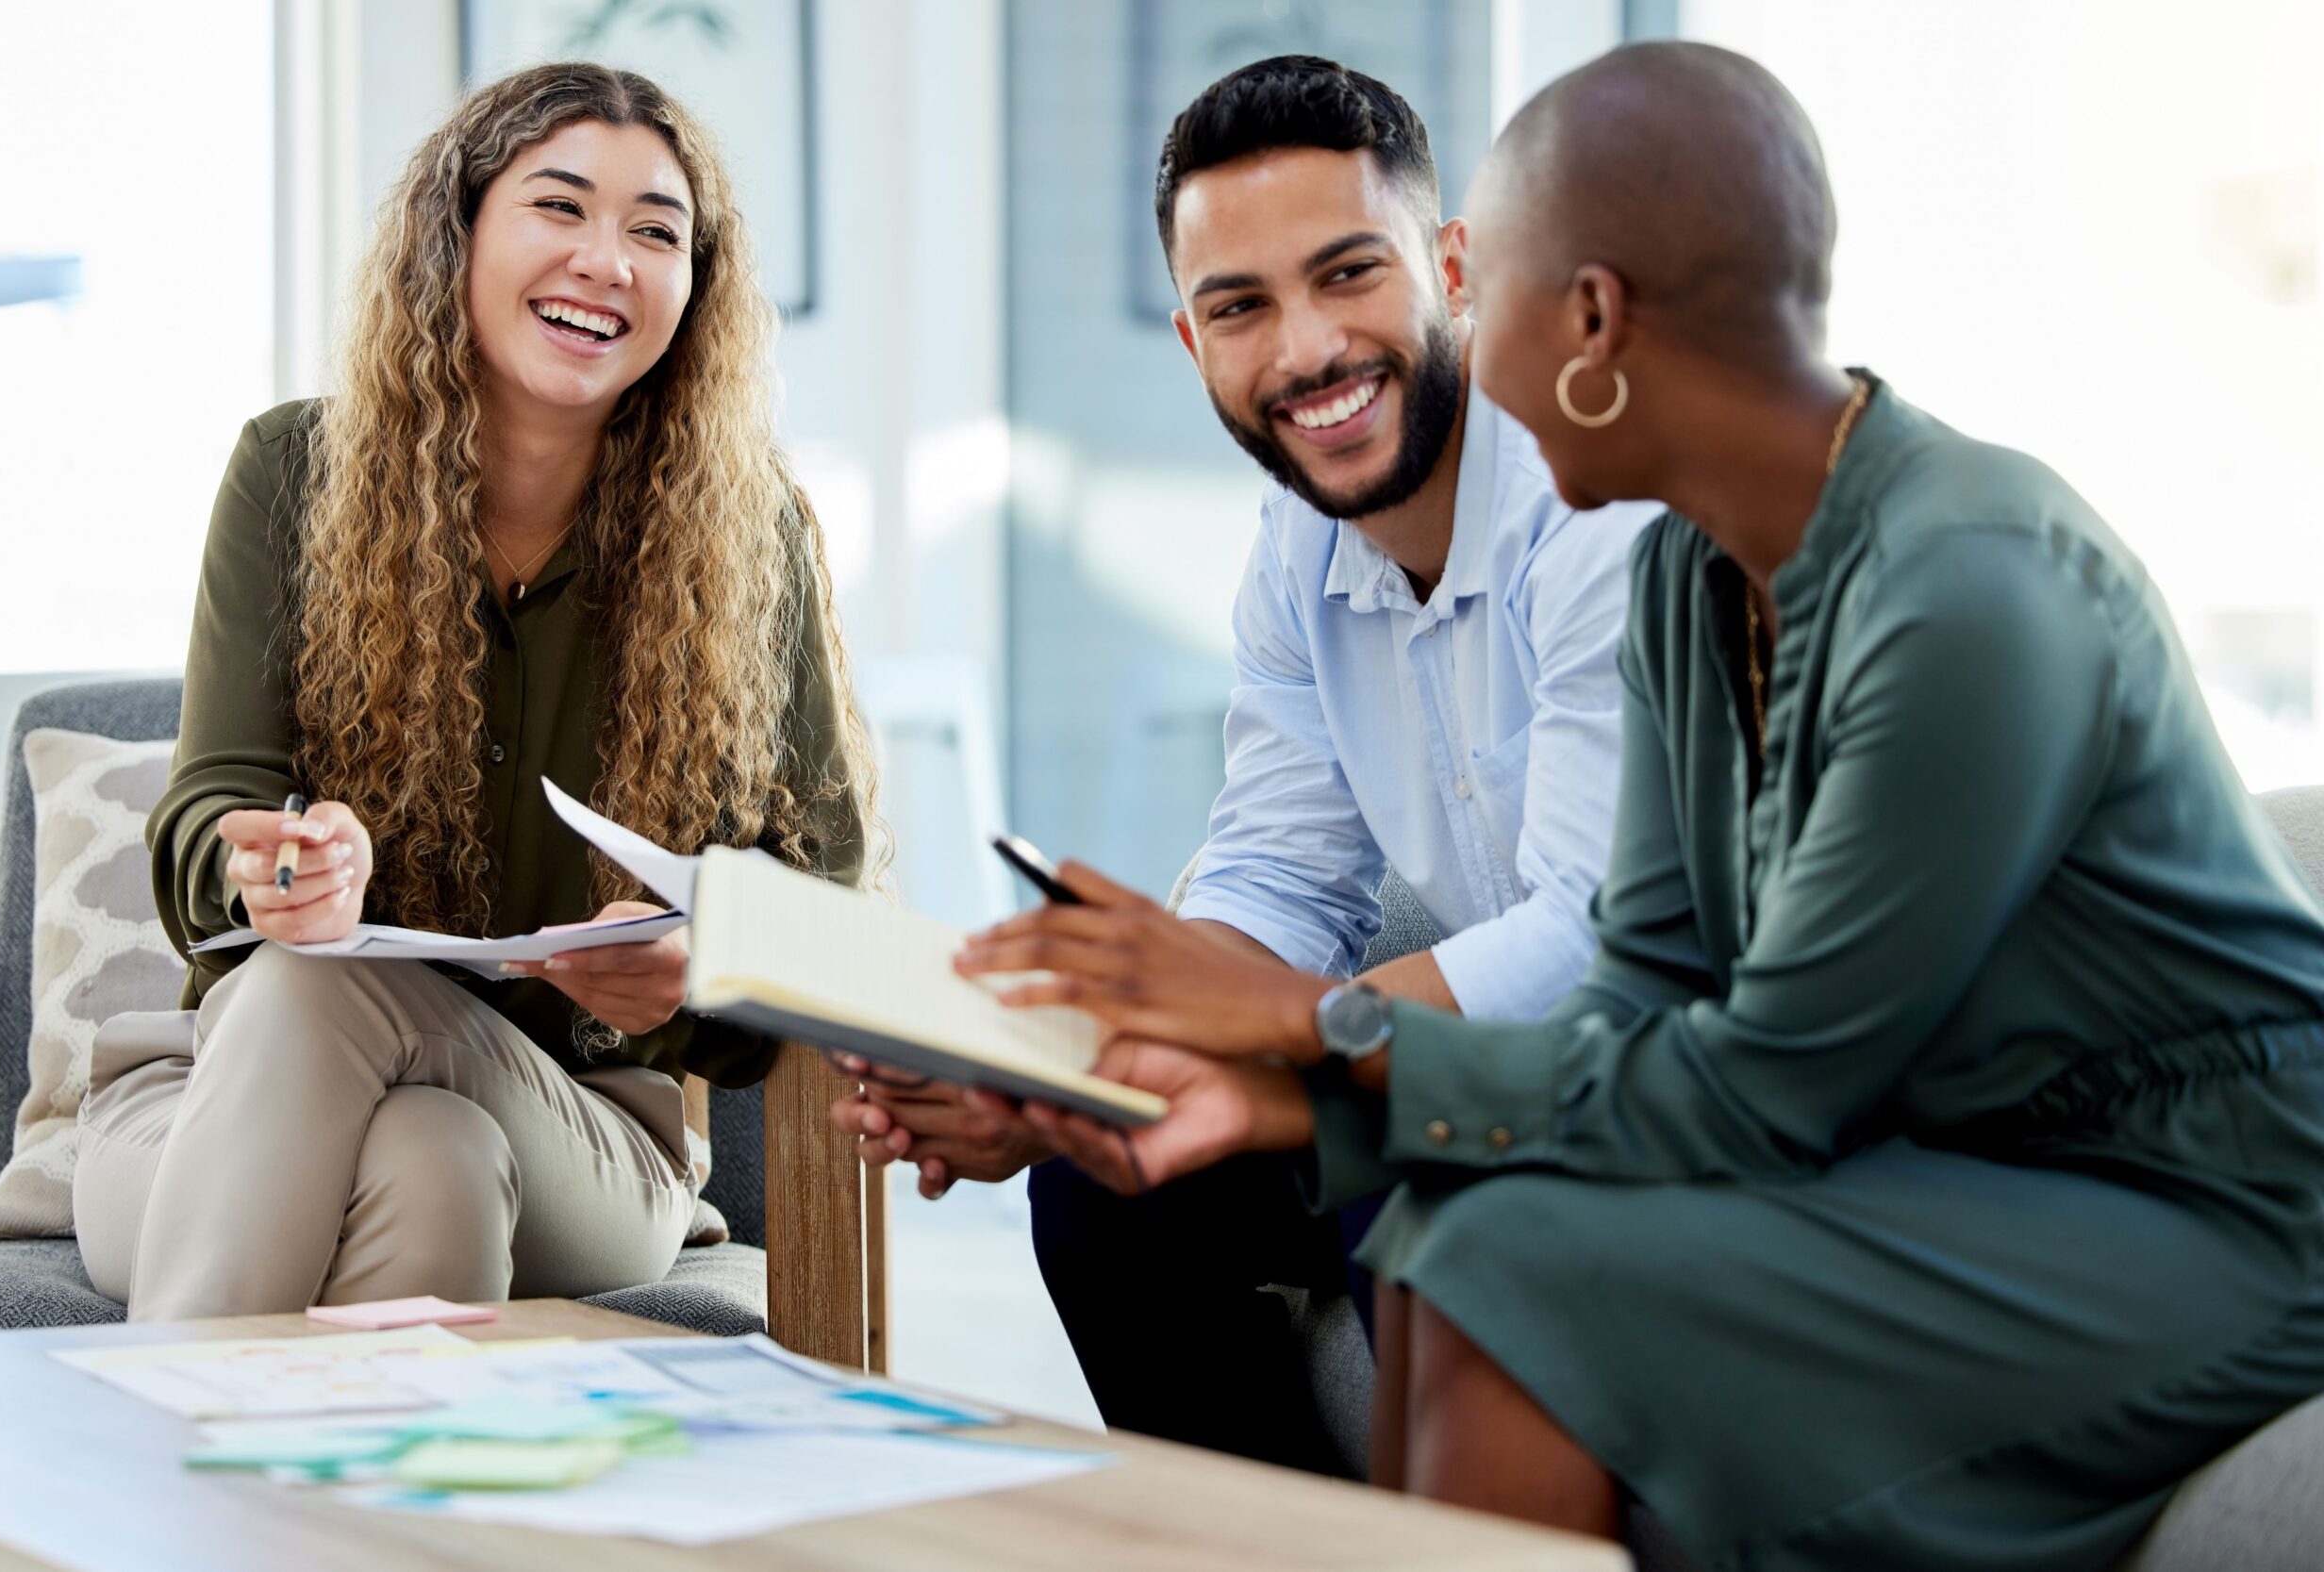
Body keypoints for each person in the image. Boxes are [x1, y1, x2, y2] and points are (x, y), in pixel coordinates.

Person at [952, 40, 2324, 1572]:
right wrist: (1213, 1067)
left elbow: (1762, 1083)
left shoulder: (1968, 586)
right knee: (1469, 1243)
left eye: (1489, 283)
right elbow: (1654, 976)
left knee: (1496, 1255)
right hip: (1930, 1145)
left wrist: (1299, 1055)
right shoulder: (1689, 567)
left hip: (2200, 1198)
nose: (1465, 356)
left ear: (1583, 315)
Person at [831, 55, 1652, 1474]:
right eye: (1241, 308)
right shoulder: (1299, 549)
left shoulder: (1592, 506)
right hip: (1453, 1048)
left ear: (1451, 265)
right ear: (1191, 338)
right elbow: (1279, 869)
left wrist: (1261, 1032)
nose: (1307, 351)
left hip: (1632, 1074)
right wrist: (1061, 1075)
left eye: (1349, 275)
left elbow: (1593, 937)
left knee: (1397, 1159)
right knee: (1104, 1191)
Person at [71, 62, 875, 1322]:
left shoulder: (749, 536)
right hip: (211, 1102)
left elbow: (828, 906)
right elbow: (213, 805)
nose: (607, 260)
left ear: (695, 289)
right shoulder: (294, 474)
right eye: (560, 207)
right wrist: (277, 870)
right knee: (428, 1160)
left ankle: (145, 1477)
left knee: (331, 1008)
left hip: (586, 1133)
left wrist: (696, 967)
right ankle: (343, 1522)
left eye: (655, 232)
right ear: (459, 233)